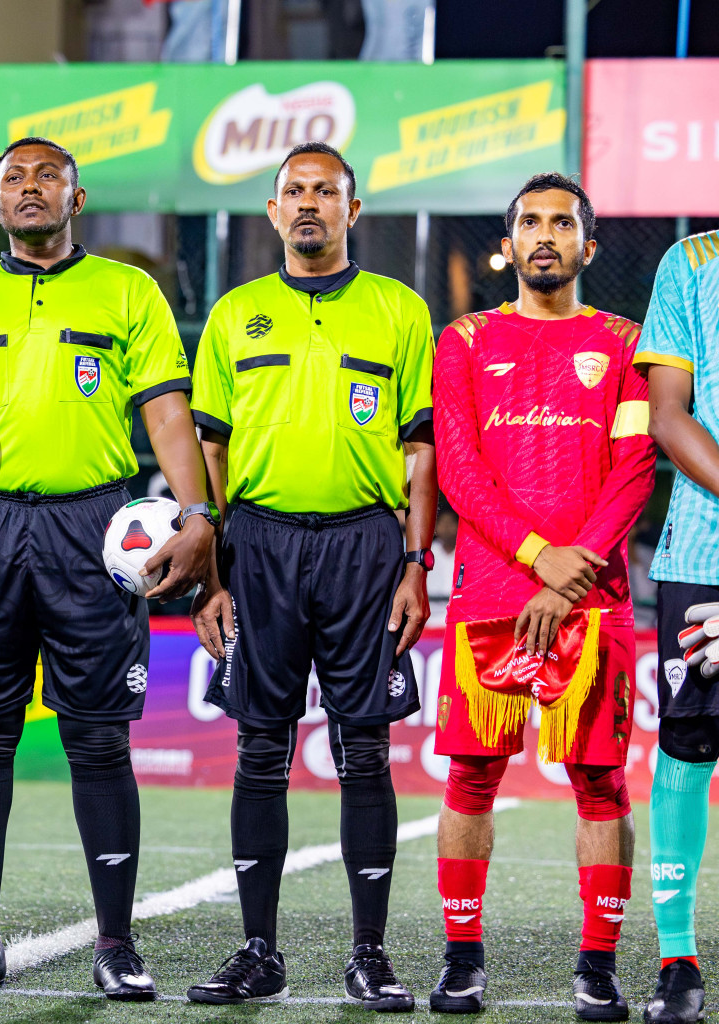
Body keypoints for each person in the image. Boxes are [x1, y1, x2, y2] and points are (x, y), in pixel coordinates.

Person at [0, 136, 216, 1001]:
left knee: (98, 737)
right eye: (14, 179)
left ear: (77, 200)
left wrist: (198, 516)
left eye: (47, 178)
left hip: (93, 531)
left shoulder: (127, 291)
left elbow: (166, 416)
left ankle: (116, 943)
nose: (29, 189)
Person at [187, 141, 435, 1010]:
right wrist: (211, 576)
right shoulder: (234, 314)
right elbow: (207, 450)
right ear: (272, 212)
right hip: (257, 549)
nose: (309, 204)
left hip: (367, 550)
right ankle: (260, 951)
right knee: (261, 748)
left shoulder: (400, 311)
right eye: (294, 191)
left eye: (326, 192)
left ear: (352, 212)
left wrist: (414, 563)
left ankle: (369, 955)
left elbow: (421, 450)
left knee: (363, 746)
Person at [430, 173, 654, 1020]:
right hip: (492, 594)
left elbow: (634, 471)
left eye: (563, 222)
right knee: (471, 777)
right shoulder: (466, 340)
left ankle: (597, 966)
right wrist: (536, 556)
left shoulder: (626, 343)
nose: (546, 234)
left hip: (592, 605)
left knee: (601, 784)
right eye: (531, 222)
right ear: (511, 242)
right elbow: (459, 469)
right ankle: (461, 958)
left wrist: (575, 568)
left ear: (588, 247)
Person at [633, 225, 719, 1024]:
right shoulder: (693, 262)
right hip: (702, 552)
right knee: (689, 744)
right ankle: (678, 961)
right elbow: (667, 415)